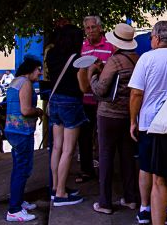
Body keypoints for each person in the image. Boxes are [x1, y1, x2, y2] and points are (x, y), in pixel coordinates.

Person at [129, 21, 167, 225]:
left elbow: (137, 93)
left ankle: (146, 208)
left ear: (156, 38)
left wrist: (133, 120)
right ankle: (165, 209)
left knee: (147, 168)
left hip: (150, 123)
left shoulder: (147, 58)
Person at [87, 23, 140, 215]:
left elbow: (101, 89)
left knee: (106, 156)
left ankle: (105, 202)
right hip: (129, 115)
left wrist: (93, 74)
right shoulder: (137, 59)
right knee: (127, 157)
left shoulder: (115, 60)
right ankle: (130, 198)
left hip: (109, 115)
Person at [46, 24, 86, 206]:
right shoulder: (77, 59)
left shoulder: (52, 55)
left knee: (57, 147)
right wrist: (91, 70)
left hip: (54, 102)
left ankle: (55, 188)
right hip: (71, 103)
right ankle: (61, 193)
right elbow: (83, 87)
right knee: (69, 149)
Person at [3, 56, 44, 222]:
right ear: (30, 69)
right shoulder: (26, 83)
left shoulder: (15, 81)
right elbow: (26, 110)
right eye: (38, 69)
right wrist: (39, 111)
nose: (40, 73)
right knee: (23, 169)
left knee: (18, 168)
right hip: (22, 132)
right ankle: (14, 210)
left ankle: (18, 201)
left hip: (12, 130)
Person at [77, 15, 115, 184]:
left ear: (100, 28)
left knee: (103, 137)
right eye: (87, 28)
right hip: (86, 99)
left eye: (93, 27)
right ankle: (86, 170)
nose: (91, 31)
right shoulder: (82, 47)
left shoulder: (109, 46)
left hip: (104, 99)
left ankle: (105, 171)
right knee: (84, 137)